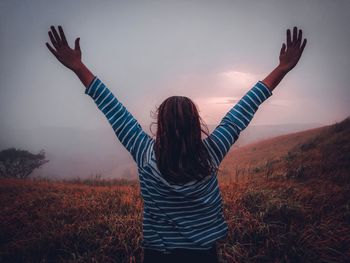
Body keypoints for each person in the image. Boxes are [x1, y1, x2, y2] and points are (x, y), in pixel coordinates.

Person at [46, 25, 306, 263]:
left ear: (162, 125)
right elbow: (245, 109)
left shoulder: (144, 153)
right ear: (195, 124)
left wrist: (79, 67)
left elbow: (112, 108)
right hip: (204, 255)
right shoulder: (212, 153)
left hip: (158, 255)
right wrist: (281, 68)